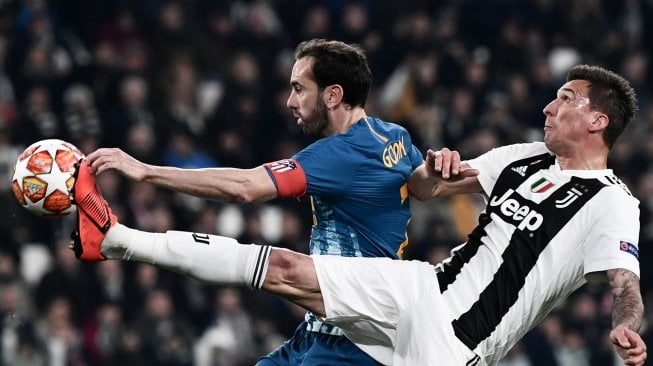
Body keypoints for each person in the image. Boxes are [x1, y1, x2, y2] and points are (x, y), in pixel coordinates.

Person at [71, 64, 647, 365]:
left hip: (456, 346)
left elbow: (625, 283)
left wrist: (627, 323)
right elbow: (427, 191)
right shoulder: (524, 157)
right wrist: (438, 169)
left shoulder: (613, 202)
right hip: (425, 287)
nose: (549, 104)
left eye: (567, 98)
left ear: (598, 122)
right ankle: (116, 238)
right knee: (289, 270)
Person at [72, 38, 440, 365]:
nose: (290, 101)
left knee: (275, 263)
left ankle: (121, 240)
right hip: (324, 328)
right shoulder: (390, 134)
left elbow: (245, 188)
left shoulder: (338, 154)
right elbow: (420, 187)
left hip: (353, 341)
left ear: (332, 96)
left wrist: (144, 171)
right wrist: (441, 171)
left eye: (299, 89)